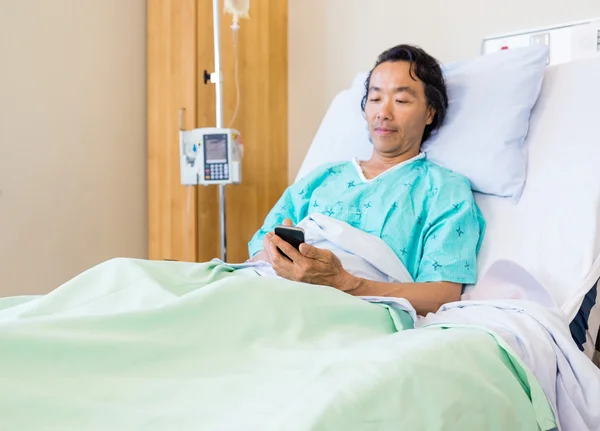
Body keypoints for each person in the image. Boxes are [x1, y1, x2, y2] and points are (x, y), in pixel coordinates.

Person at [247, 44, 485, 316]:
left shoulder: (444, 190)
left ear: (430, 113)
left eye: (401, 100)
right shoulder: (321, 178)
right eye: (375, 99)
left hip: (350, 312)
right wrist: (280, 259)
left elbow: (441, 295)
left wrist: (346, 284)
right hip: (273, 293)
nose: (383, 113)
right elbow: (259, 251)